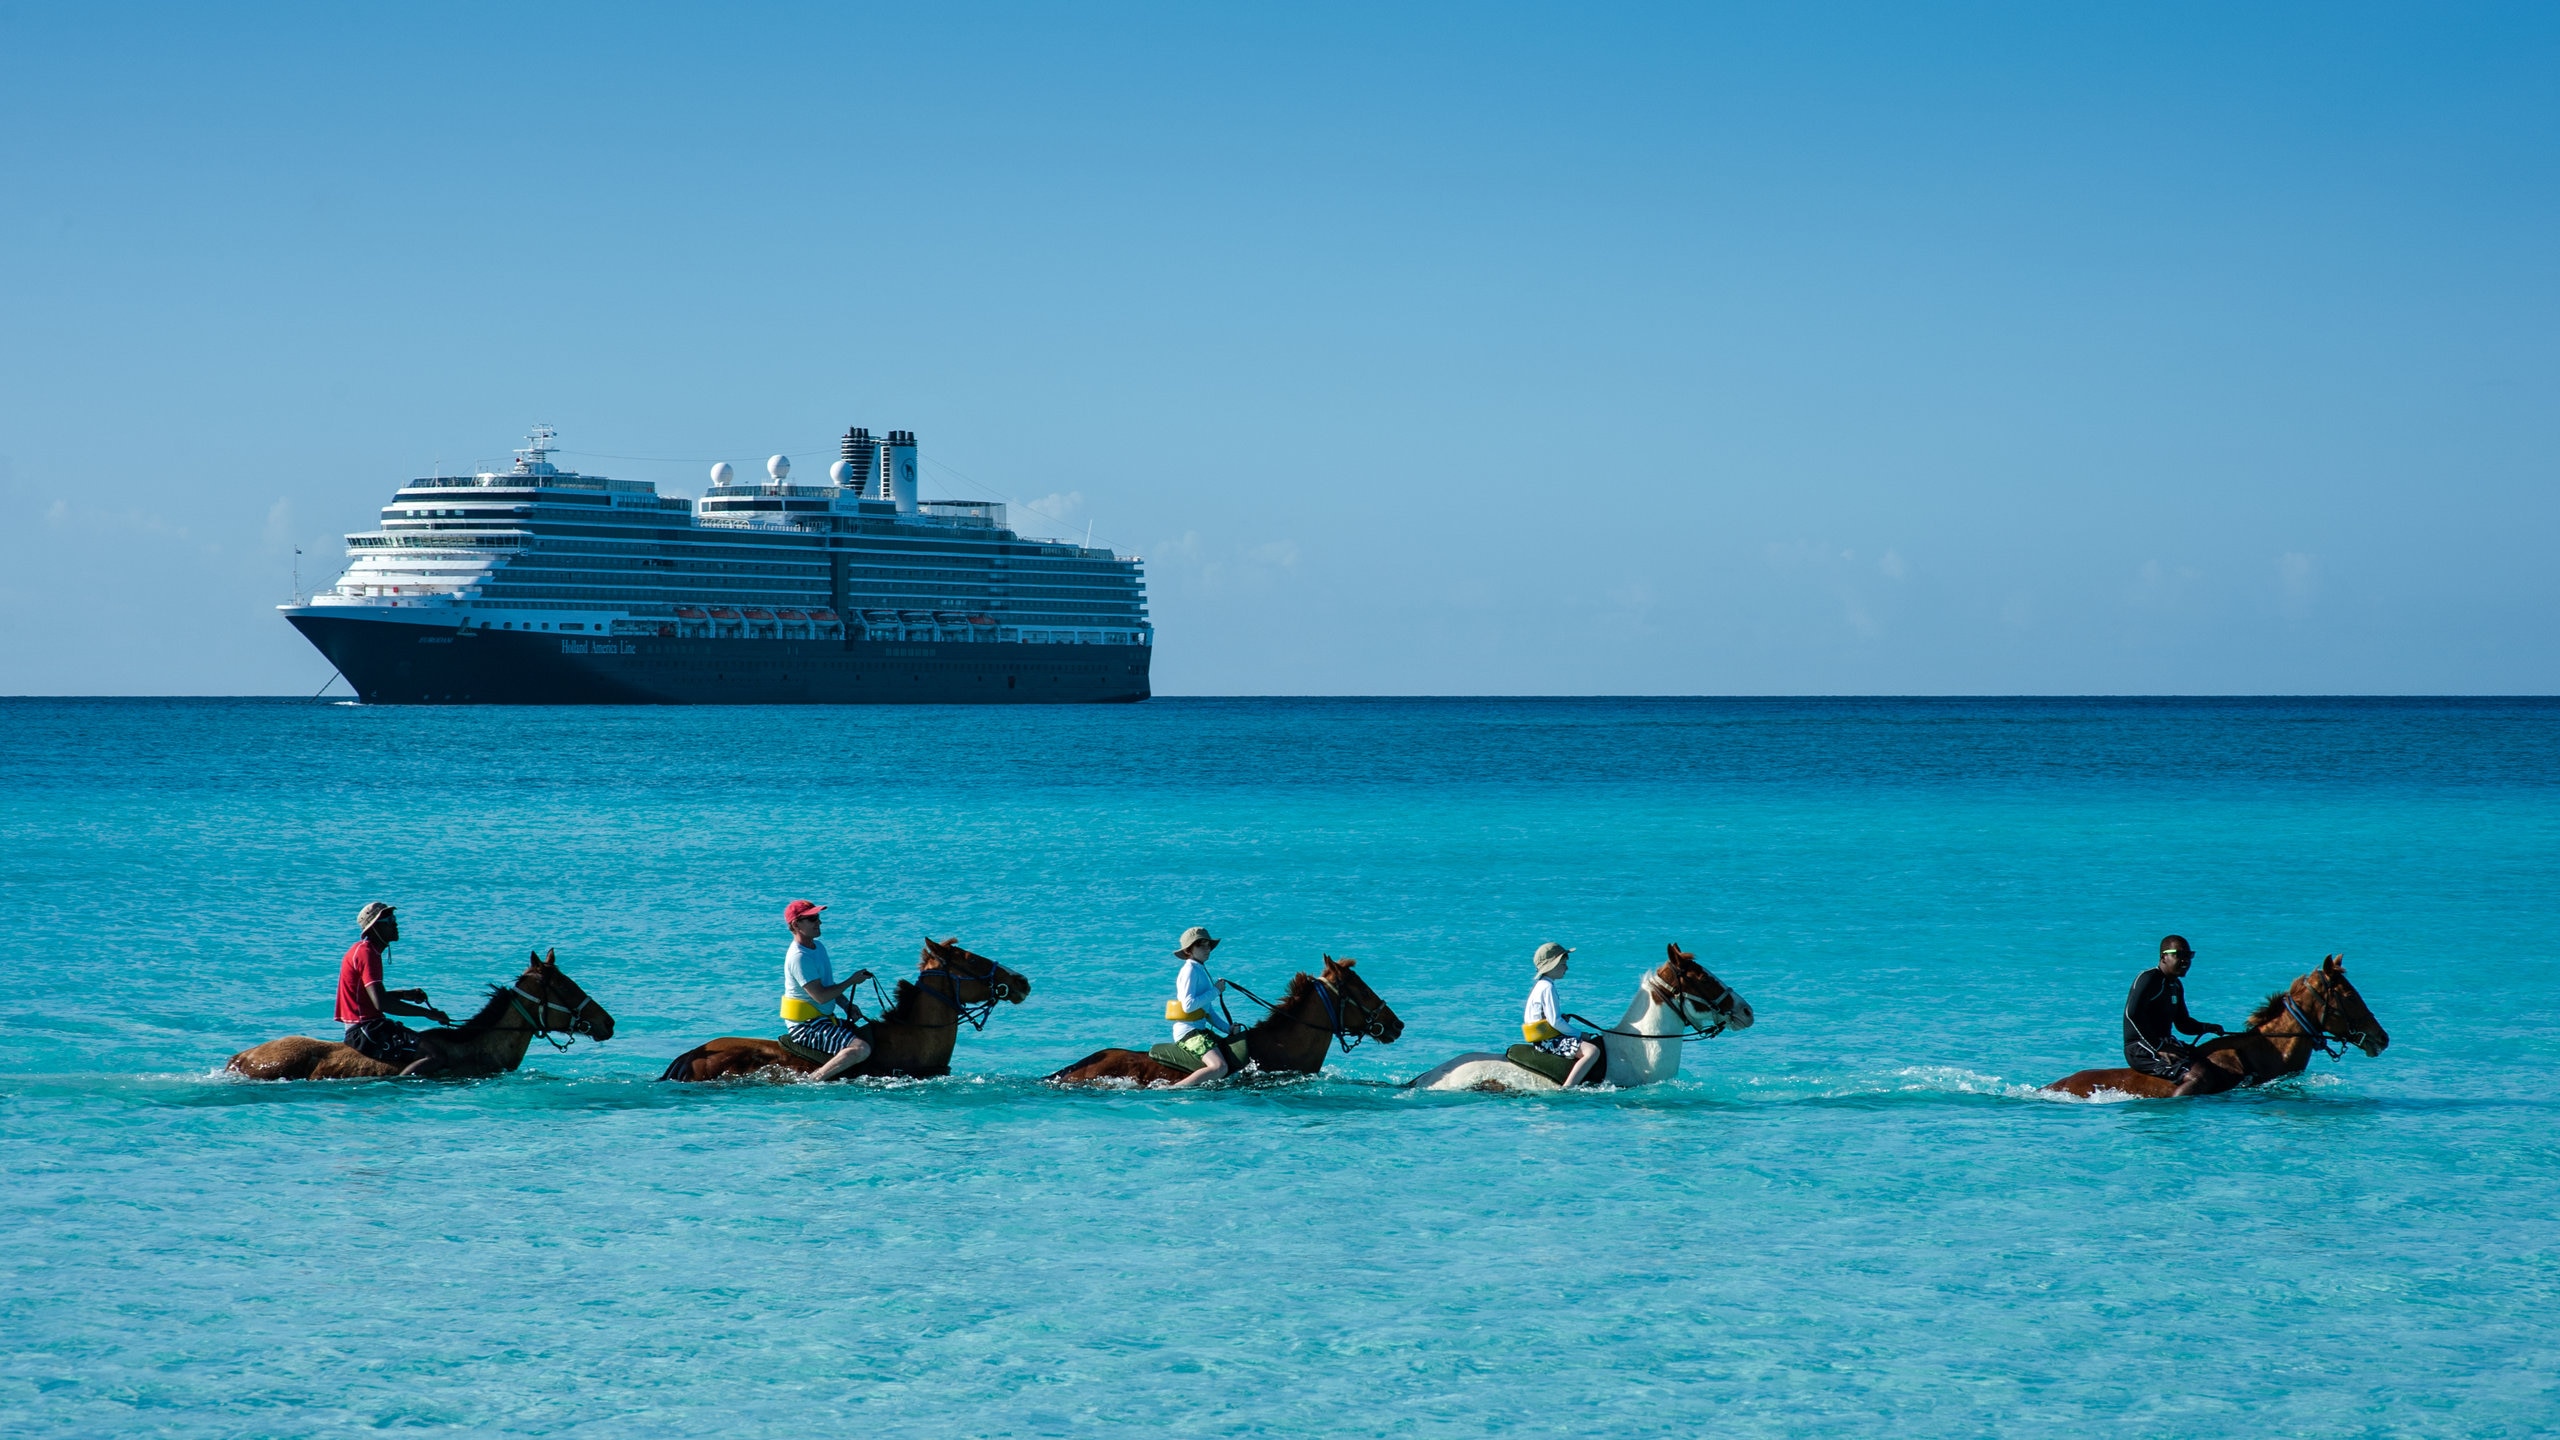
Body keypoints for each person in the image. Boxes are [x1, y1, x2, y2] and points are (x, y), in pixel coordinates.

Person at [337, 902, 453, 1076]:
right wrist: (428, 1014)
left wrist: (405, 994)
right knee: (436, 1055)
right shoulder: (367, 953)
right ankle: (401, 1089)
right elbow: (381, 1003)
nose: (395, 924)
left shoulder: (366, 951)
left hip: (369, 1026)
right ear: (374, 928)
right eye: (389, 920)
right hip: (365, 1030)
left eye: (394, 918)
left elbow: (368, 998)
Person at [780, 900, 876, 1082]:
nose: (819, 922)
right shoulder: (799, 957)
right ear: (796, 924)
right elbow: (821, 996)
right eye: (812, 919)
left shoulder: (818, 948)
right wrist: (851, 981)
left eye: (818, 917)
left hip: (823, 1020)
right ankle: (813, 1080)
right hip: (807, 1027)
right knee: (861, 1049)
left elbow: (828, 986)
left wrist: (846, 1005)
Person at [2123, 933, 2228, 1097]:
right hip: (2141, 1048)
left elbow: (2183, 1023)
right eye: (2179, 955)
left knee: (2218, 1064)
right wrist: (2159, 1046)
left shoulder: (2175, 985)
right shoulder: (2149, 978)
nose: (2186, 961)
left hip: (2165, 1042)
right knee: (2199, 1077)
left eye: (2189, 955)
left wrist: (2208, 1027)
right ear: (2164, 957)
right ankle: (2174, 1118)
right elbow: (2132, 1014)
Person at [1523, 942, 1603, 1087]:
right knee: (1592, 1051)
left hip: (1543, 1038)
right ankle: (1569, 1087)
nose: (1566, 968)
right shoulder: (1547, 987)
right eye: (1563, 964)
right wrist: (1580, 1034)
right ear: (1552, 966)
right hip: (1547, 1042)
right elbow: (1555, 1022)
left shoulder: (1541, 985)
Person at [1166, 926, 1237, 1088]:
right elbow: (1188, 1005)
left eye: (1208, 945)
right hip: (1188, 1032)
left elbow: (1207, 1010)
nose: (1207, 949)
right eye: (1200, 945)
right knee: (1220, 1067)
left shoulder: (1200, 969)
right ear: (1188, 951)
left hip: (1199, 1030)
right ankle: (1174, 1089)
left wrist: (1228, 1029)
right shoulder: (1190, 970)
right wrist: (1215, 991)